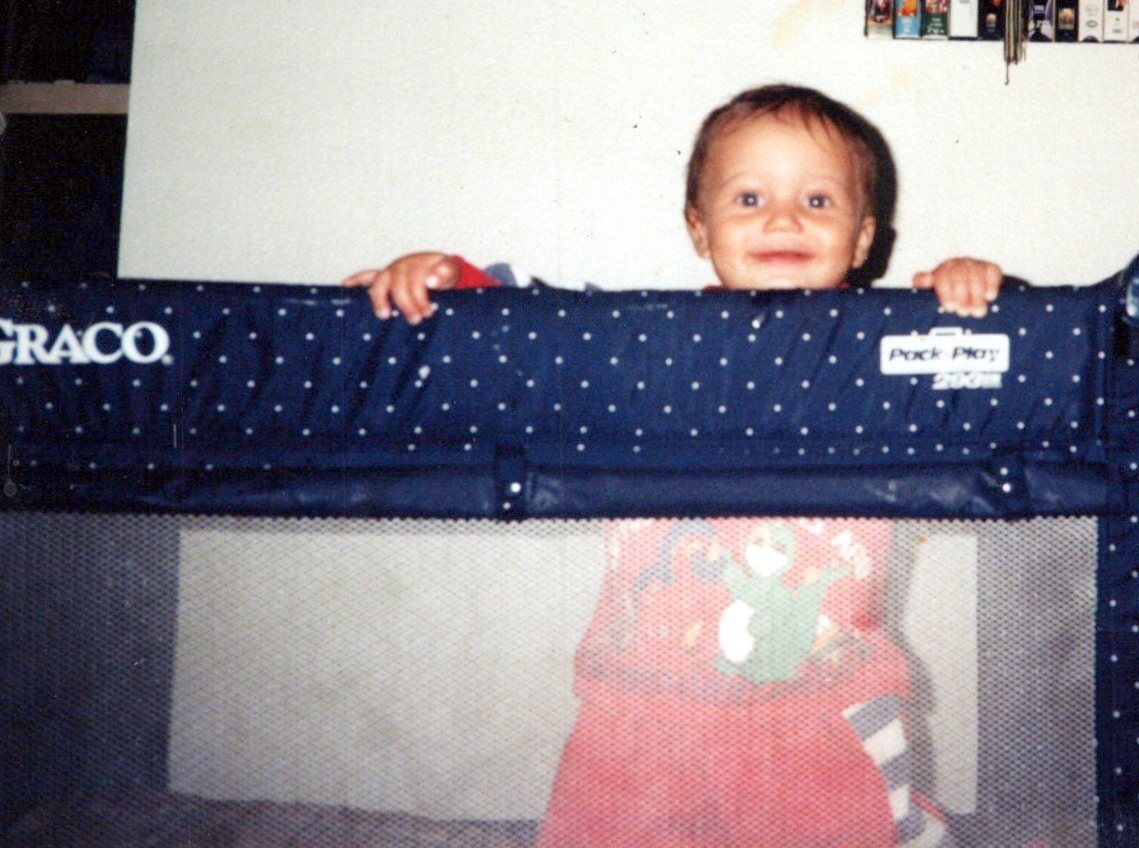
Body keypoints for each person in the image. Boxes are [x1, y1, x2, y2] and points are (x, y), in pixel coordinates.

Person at [345, 84, 1000, 848]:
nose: (782, 218)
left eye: (817, 200)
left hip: (823, 711)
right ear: (698, 227)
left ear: (861, 240)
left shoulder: (887, 356)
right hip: (637, 711)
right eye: (749, 197)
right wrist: (449, 286)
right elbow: (527, 342)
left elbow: (995, 393)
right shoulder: (638, 351)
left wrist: (965, 303)